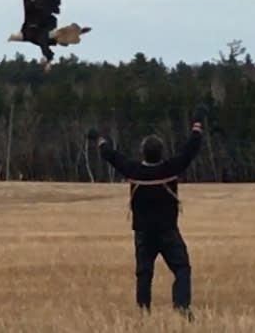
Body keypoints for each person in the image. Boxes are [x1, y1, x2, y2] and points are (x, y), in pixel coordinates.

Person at [86, 103, 207, 320]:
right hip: (168, 231)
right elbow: (191, 149)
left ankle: (143, 314)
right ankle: (181, 307)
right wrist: (197, 124)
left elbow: (111, 155)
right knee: (182, 269)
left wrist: (98, 139)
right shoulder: (170, 169)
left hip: (142, 232)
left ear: (143, 152)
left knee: (144, 274)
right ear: (161, 152)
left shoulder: (134, 170)